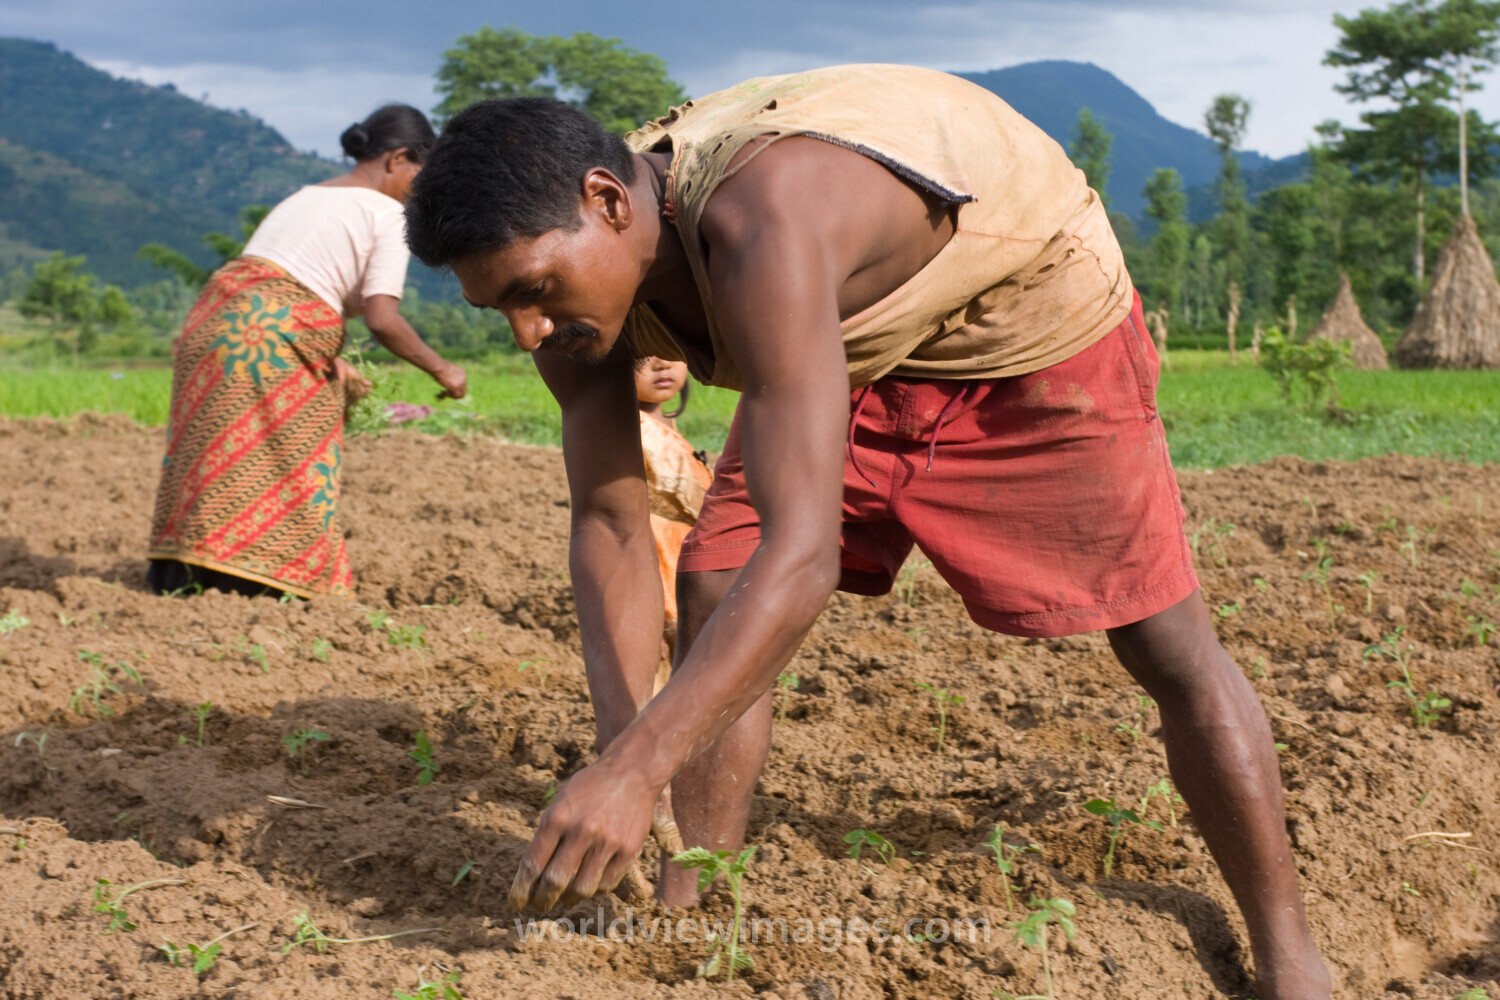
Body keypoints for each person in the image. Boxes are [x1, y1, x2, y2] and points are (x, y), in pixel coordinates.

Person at [404, 65, 1332, 1000]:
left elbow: (802, 555)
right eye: (498, 310)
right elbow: (611, 515)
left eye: (534, 288)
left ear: (607, 202)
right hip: (825, 348)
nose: (526, 332)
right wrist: (621, 755)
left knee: (1161, 637)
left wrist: (640, 769)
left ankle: (1290, 951)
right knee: (716, 583)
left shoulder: (769, 216)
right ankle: (689, 907)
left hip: (1021, 320)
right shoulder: (583, 310)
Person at [146, 104, 466, 600]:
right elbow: (382, 317)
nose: (418, 190)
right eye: (418, 175)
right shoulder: (385, 212)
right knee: (293, 458)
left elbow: (278, 283)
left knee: (211, 453)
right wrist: (443, 369)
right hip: (271, 335)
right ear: (398, 158)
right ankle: (272, 586)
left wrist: (330, 360)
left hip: (214, 320)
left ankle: (185, 578)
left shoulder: (305, 195)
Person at [635, 355, 712, 687]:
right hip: (658, 589)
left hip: (683, 578)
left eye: (670, 348)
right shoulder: (634, 430)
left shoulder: (663, 426)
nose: (662, 363)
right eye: (643, 354)